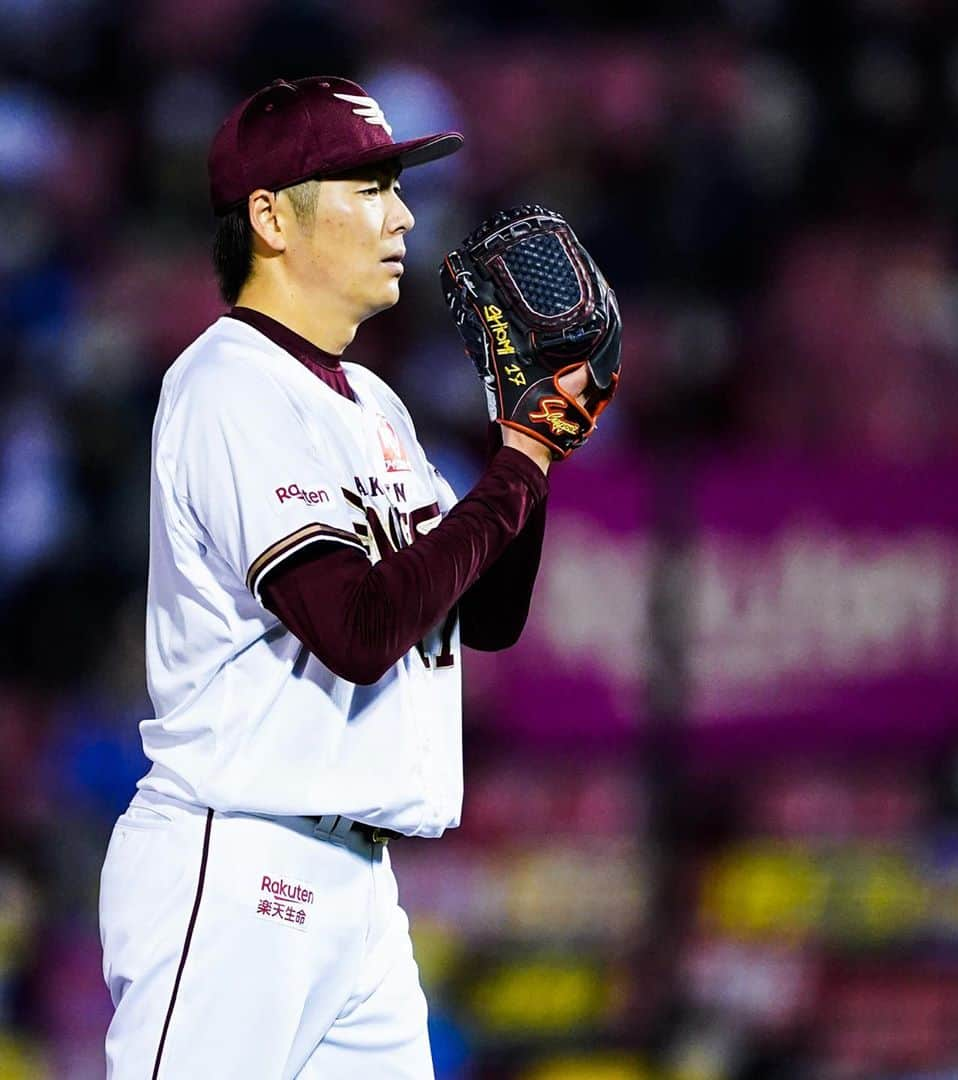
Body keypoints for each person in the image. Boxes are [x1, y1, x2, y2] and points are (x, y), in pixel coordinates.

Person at [98, 75, 591, 1078]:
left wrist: (529, 441)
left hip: (357, 891)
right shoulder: (229, 383)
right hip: (239, 866)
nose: (403, 212)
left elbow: (482, 611)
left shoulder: (367, 397)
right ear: (272, 219)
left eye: (396, 186)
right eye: (368, 186)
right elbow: (357, 632)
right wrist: (519, 470)